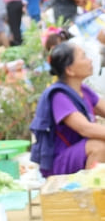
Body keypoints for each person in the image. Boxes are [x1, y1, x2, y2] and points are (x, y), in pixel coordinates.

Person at [30, 42, 105, 176]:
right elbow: (86, 129)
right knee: (98, 146)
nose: (90, 60)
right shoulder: (59, 96)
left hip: (77, 153)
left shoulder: (84, 90)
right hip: (59, 162)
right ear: (70, 70)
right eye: (83, 57)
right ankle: (87, 192)